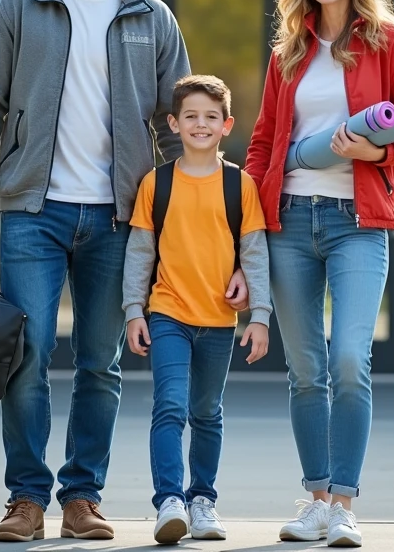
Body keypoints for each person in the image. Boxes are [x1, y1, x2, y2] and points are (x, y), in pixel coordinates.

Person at [0, 0, 248, 542]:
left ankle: (82, 495)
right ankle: (26, 498)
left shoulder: (152, 17)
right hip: (34, 210)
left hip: (120, 218)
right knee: (27, 353)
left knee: (100, 361)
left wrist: (191, 219)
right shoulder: (17, 5)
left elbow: (181, 128)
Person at [245, 0, 394, 548]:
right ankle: (316, 498)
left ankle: (346, 505)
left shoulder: (391, 42)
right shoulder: (288, 53)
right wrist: (241, 219)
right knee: (306, 370)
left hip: (359, 223)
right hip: (291, 223)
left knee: (351, 359)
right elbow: (265, 144)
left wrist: (375, 154)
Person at [122, 74, 272, 545]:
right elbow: (140, 252)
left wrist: (261, 314)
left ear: (226, 125)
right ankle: (169, 501)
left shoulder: (240, 186)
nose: (200, 124)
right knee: (169, 407)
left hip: (219, 321)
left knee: (207, 412)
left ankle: (202, 499)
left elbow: (254, 253)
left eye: (211, 117)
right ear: (174, 122)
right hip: (168, 313)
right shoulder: (156, 183)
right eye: (190, 116)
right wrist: (133, 310)